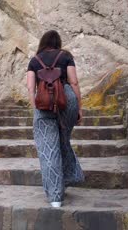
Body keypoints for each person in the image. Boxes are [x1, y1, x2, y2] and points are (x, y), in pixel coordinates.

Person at [26, 30, 85, 208]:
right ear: (58, 42)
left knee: (48, 148)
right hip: (67, 100)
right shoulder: (66, 56)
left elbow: (30, 88)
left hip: (43, 102)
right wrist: (79, 107)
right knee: (62, 140)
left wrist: (36, 107)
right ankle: (69, 177)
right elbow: (73, 82)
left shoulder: (34, 61)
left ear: (43, 42)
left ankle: (55, 197)